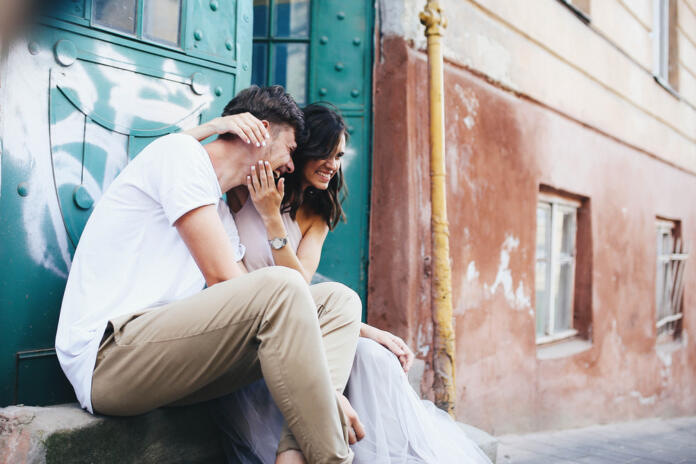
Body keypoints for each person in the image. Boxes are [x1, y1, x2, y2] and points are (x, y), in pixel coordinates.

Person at [55, 86, 363, 464]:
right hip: (110, 360)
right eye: (291, 149)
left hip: (170, 358)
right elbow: (227, 280)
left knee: (340, 301)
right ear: (261, 132)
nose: (289, 164)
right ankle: (333, 456)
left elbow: (253, 297)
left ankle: (293, 459)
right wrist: (327, 397)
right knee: (282, 288)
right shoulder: (181, 157)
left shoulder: (219, 212)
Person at [188, 103, 492, 463]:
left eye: (339, 156)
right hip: (257, 329)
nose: (334, 165)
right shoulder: (243, 190)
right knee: (345, 351)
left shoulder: (316, 214)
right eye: (327, 154)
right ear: (302, 151)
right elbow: (182, 156)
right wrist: (217, 126)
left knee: (375, 358)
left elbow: (298, 284)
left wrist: (365, 330)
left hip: (300, 314)